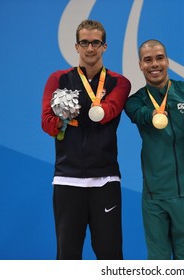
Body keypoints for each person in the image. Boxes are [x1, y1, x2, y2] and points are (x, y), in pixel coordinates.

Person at [41, 19, 131, 260]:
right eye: (85, 43)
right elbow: (47, 123)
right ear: (76, 46)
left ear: (104, 46)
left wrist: (81, 107)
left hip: (105, 180)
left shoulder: (119, 82)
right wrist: (62, 118)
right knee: (67, 256)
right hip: (67, 180)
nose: (90, 48)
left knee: (110, 256)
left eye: (95, 43)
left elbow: (109, 111)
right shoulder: (58, 80)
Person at [124, 39, 184, 260]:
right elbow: (139, 115)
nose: (154, 64)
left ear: (167, 61)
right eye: (148, 60)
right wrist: (153, 115)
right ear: (140, 65)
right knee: (158, 263)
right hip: (154, 196)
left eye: (159, 58)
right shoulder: (135, 101)